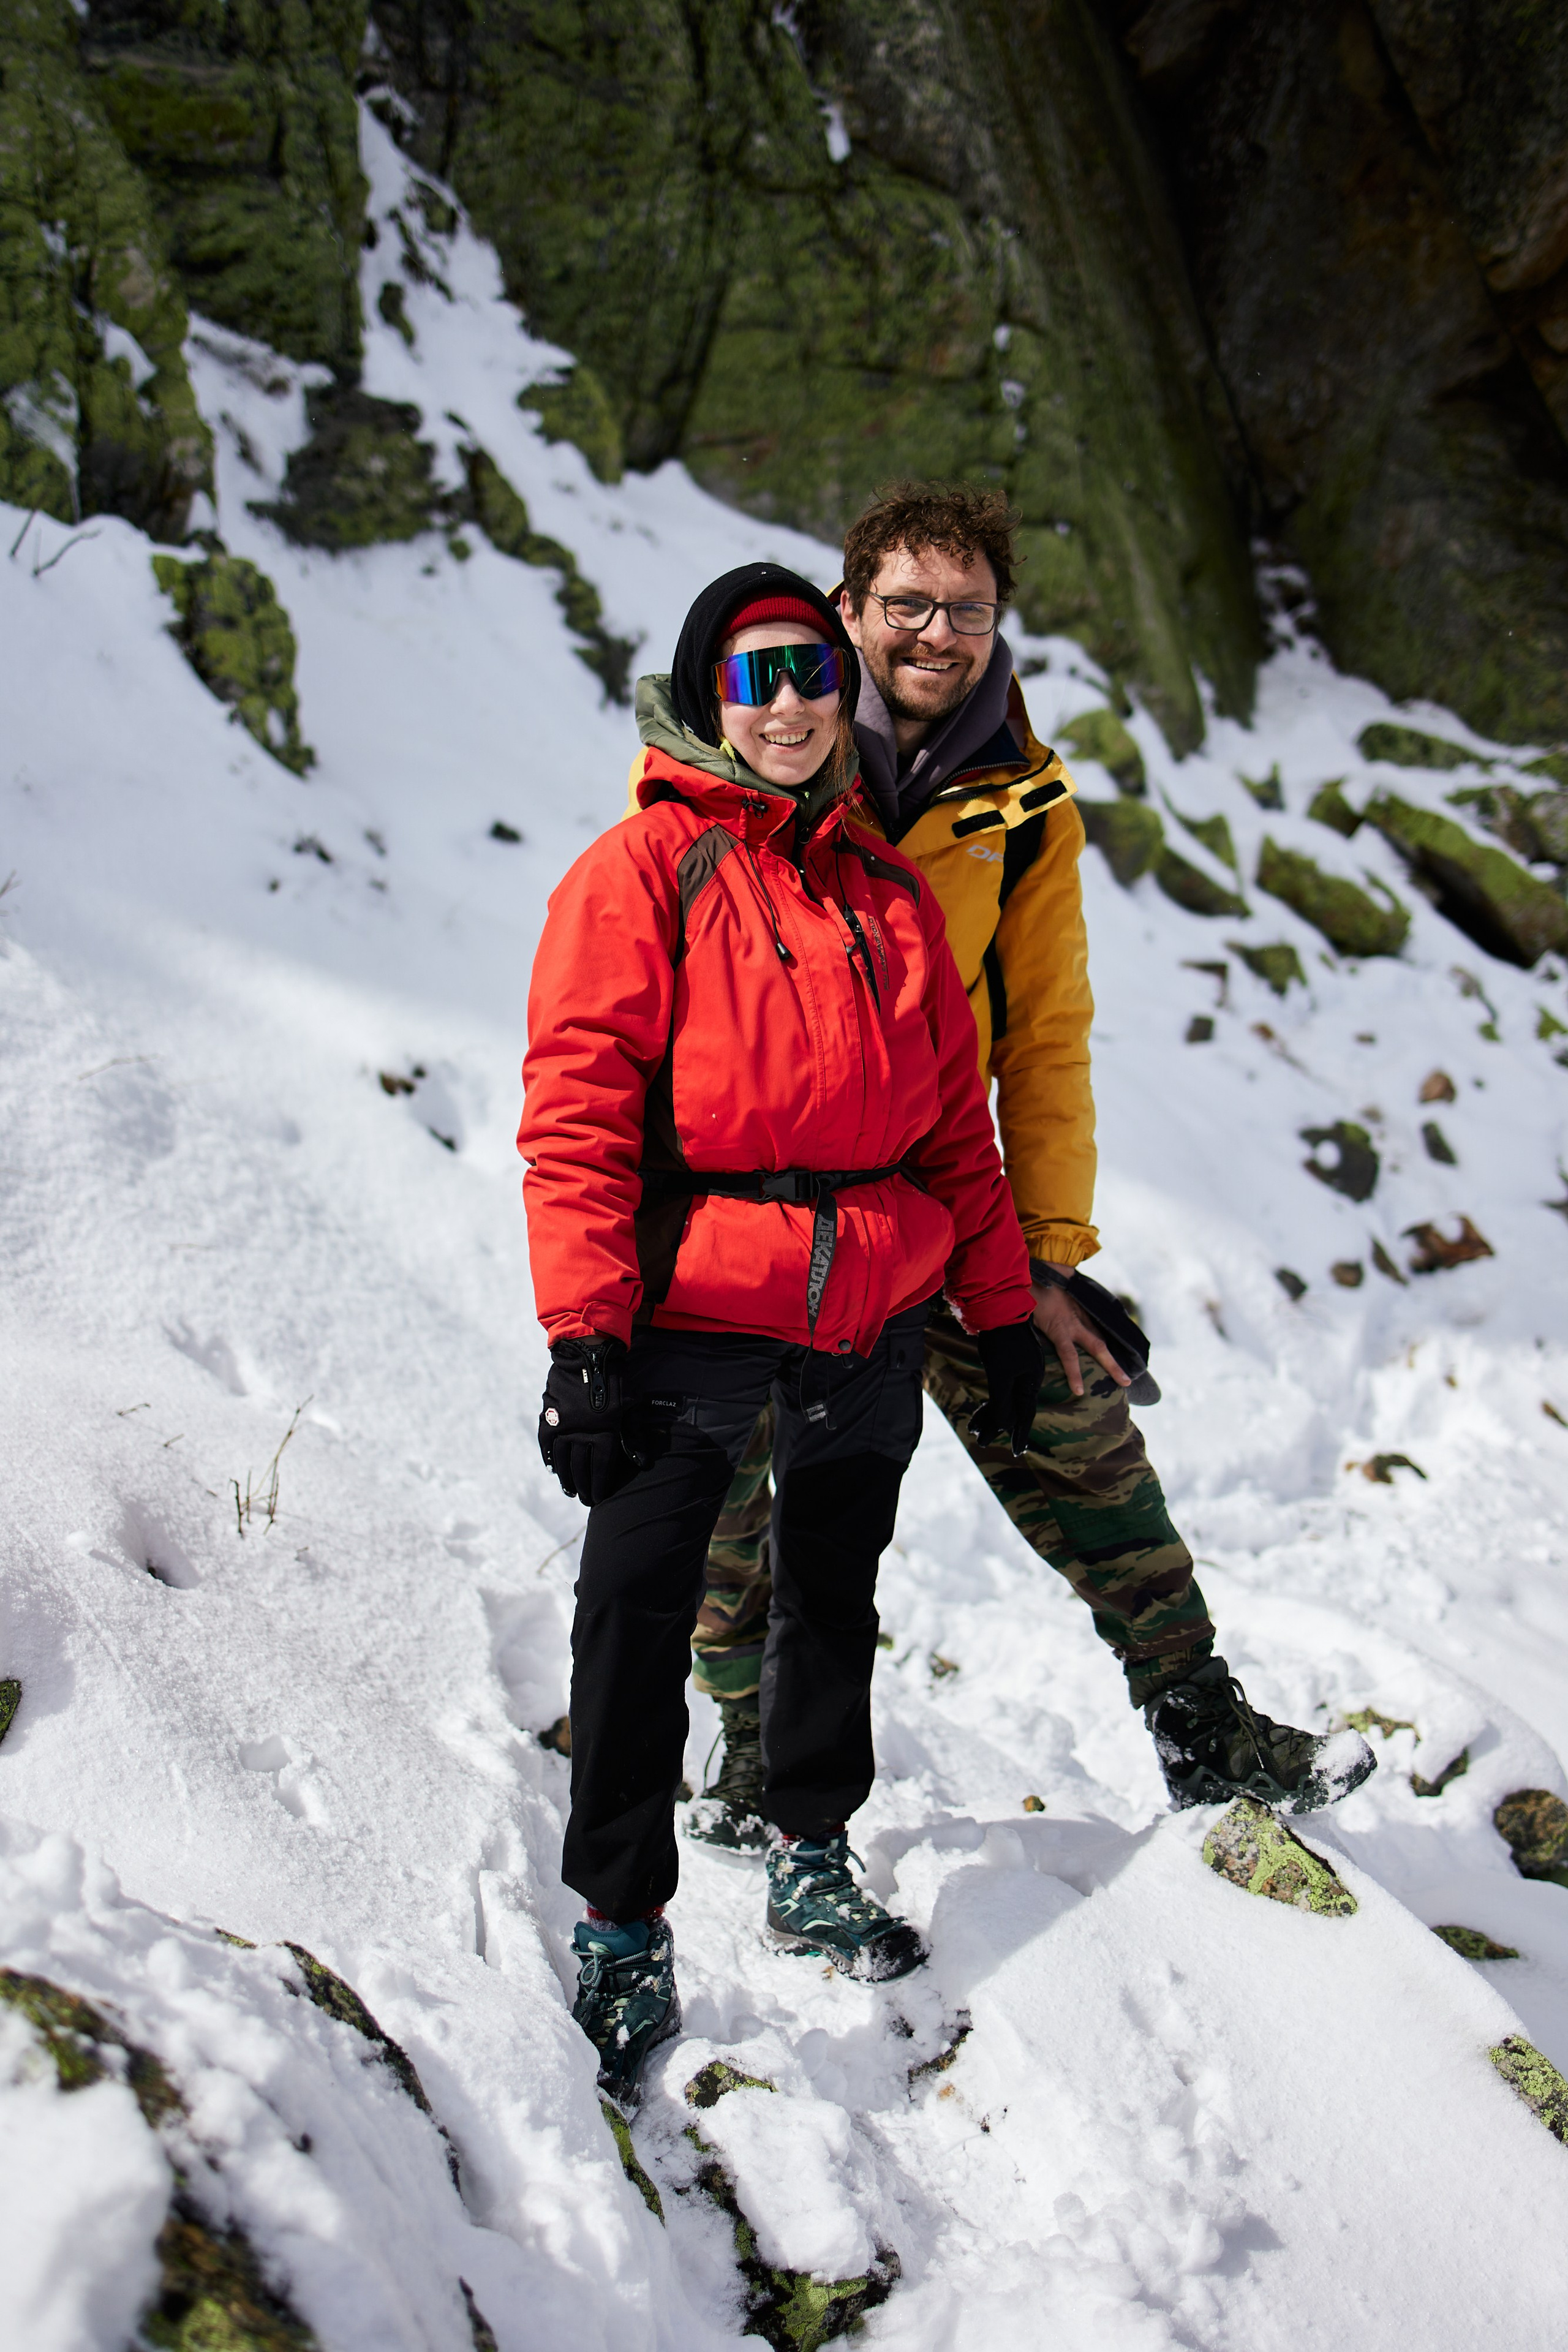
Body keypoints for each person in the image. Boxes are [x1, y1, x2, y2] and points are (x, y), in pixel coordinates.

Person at [685, 484, 1377, 1847]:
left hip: (933, 1190)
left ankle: (1200, 1723)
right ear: (848, 609)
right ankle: (749, 1749)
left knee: (1071, 1406)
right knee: (728, 1472)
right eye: (906, 605)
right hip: (763, 1189)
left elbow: (1046, 1032)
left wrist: (1046, 1254)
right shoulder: (755, 748)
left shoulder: (1020, 797)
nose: (936, 634)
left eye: (967, 609)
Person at [518, 561, 1046, 2105]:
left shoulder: (885, 896)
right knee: (633, 1608)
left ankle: (808, 1844)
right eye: (756, 679)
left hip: (868, 1308)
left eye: (814, 673)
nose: (794, 705)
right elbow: (578, 1118)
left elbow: (958, 1128)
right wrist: (583, 1338)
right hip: (692, 1306)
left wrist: (998, 1313)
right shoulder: (642, 871)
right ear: (709, 702)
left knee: (830, 1590)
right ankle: (621, 1916)